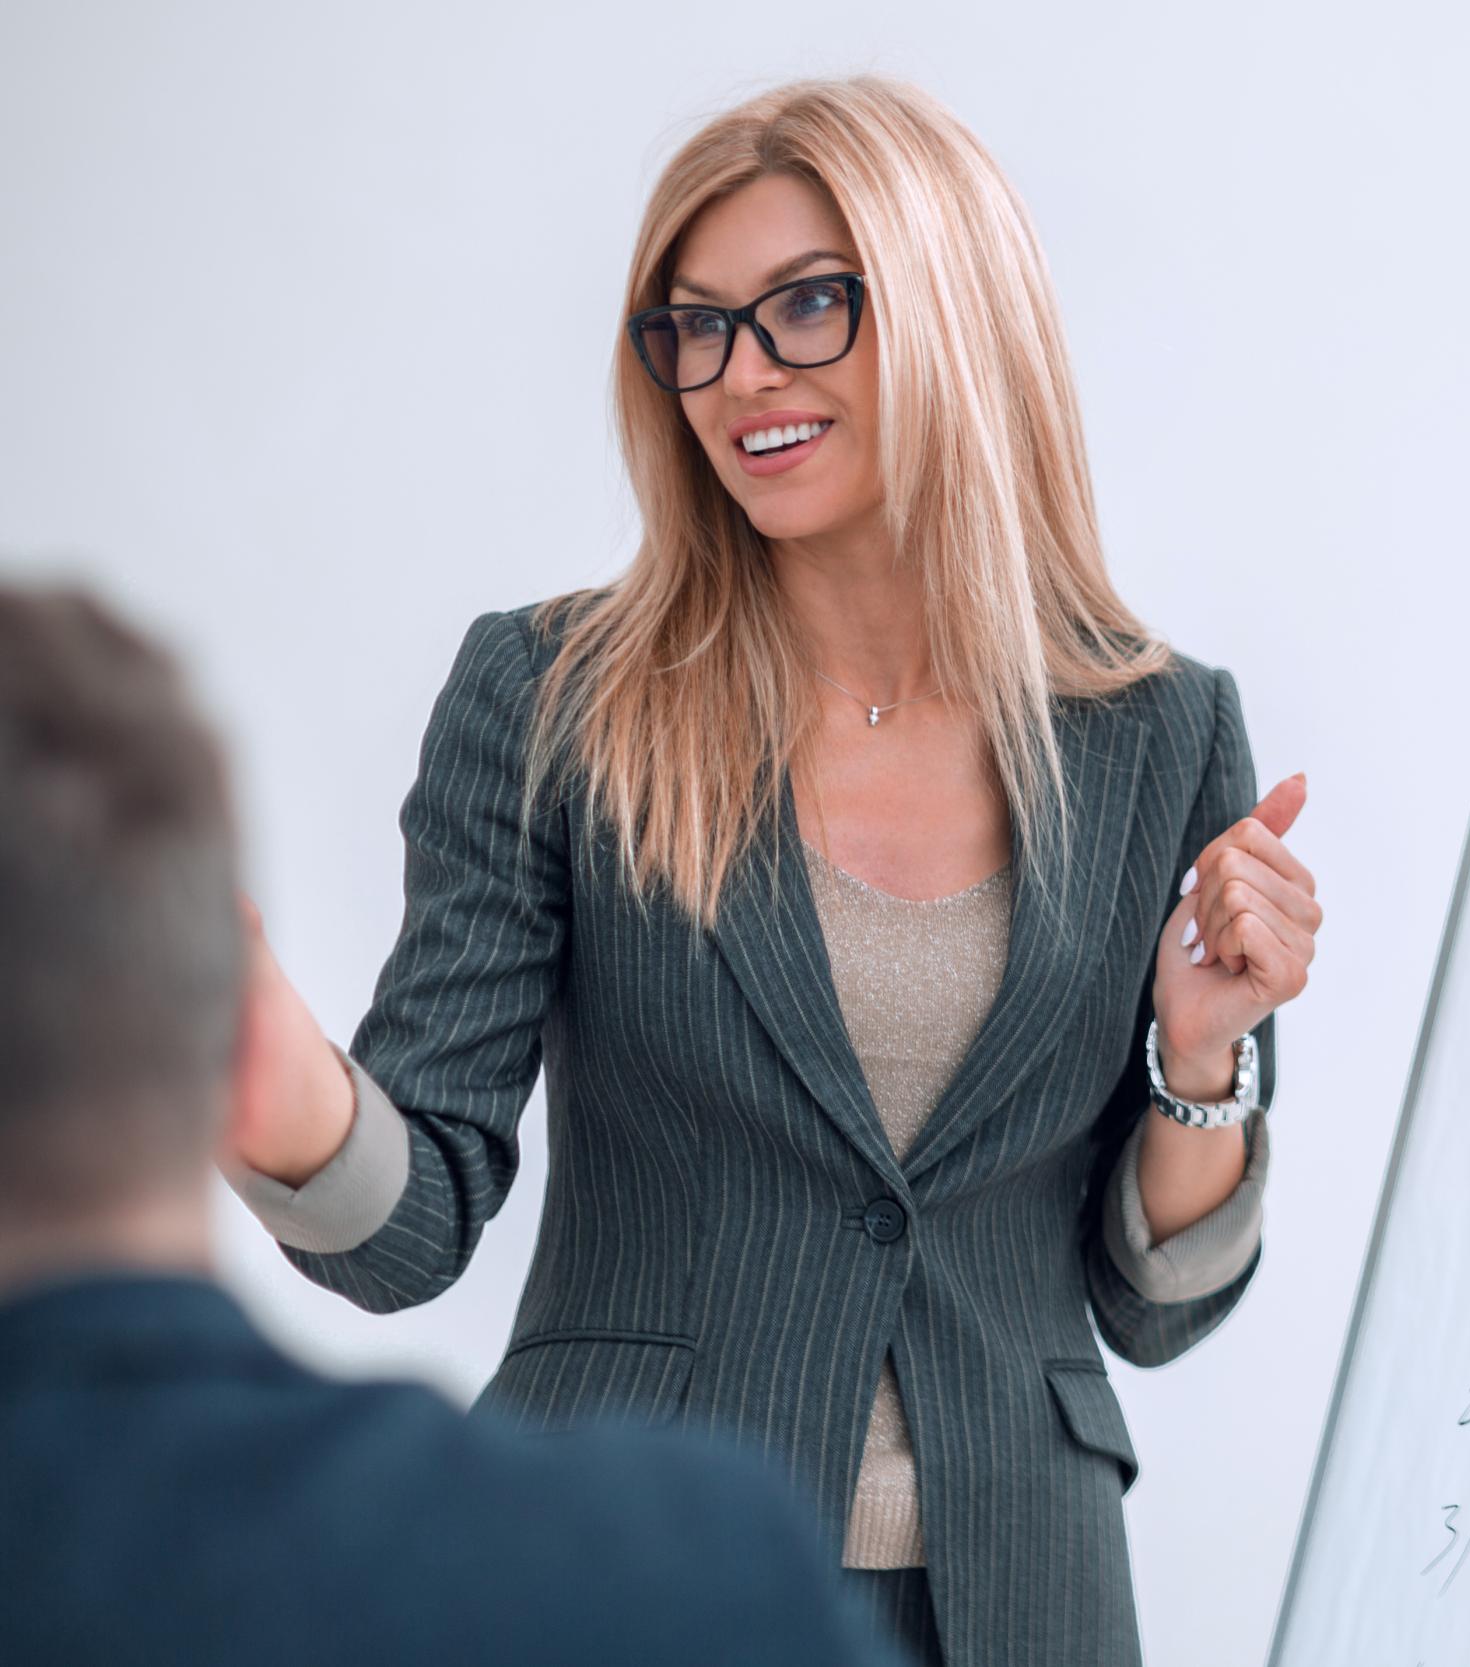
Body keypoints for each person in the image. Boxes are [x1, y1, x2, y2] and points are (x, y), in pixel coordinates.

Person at [221, 74, 1323, 1666]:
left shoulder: (1158, 732)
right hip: (627, 1575)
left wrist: (1202, 1054)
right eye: (696, 327)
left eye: (808, 306)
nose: (742, 374)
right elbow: (414, 1226)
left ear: (955, 307)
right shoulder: (555, 701)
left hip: (1020, 1599)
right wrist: (260, 1065)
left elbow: (1157, 1307)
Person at [0, 583, 902, 1667]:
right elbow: (415, 1212)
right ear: (234, 1045)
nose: (736, 398)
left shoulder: (1154, 727)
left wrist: (1176, 1088)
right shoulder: (688, 1568)